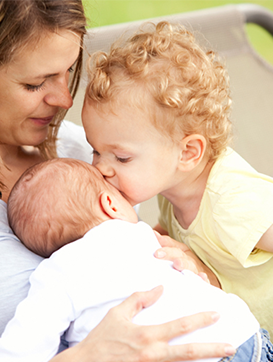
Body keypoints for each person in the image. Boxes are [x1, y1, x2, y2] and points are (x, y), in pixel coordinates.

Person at [0, 1, 236, 362]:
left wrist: (196, 267)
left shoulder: (91, 150)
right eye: (35, 83)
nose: (64, 98)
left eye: (68, 70)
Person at [0, 157, 270, 362]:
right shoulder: (141, 236)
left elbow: (19, 349)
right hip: (244, 331)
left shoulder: (55, 274)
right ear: (109, 203)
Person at [81, 21, 273, 337]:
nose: (100, 168)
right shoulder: (171, 189)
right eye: (95, 151)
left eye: (122, 157)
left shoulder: (232, 200)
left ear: (187, 153)